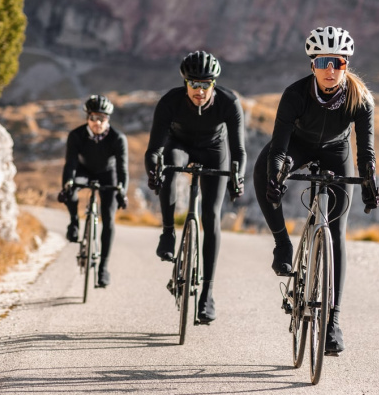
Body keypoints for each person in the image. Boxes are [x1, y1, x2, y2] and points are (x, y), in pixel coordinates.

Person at [252, 26, 379, 355]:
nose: (330, 70)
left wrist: (369, 182)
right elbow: (279, 149)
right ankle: (282, 244)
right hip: (298, 146)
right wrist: (277, 176)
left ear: (346, 65)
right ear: (312, 64)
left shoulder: (361, 99)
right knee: (263, 168)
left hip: (336, 153)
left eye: (337, 62)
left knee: (337, 231)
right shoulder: (295, 94)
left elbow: (365, 152)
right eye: (323, 61)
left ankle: (333, 321)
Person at [145, 51, 246, 324]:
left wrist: (238, 178)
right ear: (185, 83)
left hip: (215, 149)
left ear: (213, 84)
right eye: (194, 84)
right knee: (167, 168)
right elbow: (154, 148)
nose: (199, 91)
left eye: (205, 84)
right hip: (180, 145)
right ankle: (167, 233)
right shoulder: (170, 102)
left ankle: (207, 295)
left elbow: (238, 151)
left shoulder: (229, 102)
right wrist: (153, 172)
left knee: (211, 217)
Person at [58, 95, 128, 288]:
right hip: (83, 171)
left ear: (108, 119)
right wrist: (68, 184)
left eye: (102, 118)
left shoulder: (118, 138)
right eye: (93, 117)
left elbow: (122, 169)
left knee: (109, 218)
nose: (97, 122)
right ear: (87, 117)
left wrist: (122, 191)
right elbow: (70, 163)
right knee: (70, 188)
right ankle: (73, 222)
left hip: (108, 173)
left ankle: (103, 268)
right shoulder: (76, 135)